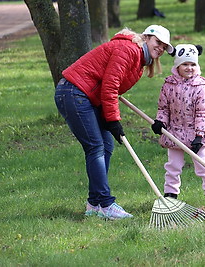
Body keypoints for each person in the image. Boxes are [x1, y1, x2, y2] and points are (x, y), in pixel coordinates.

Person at [54, 25, 174, 220]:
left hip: (86, 97)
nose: (160, 48)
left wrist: (111, 119)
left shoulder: (139, 61)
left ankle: (94, 204)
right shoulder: (127, 50)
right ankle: (106, 204)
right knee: (95, 147)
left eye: (164, 46)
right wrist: (113, 120)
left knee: (106, 145)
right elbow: (110, 86)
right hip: (74, 92)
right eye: (157, 42)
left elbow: (111, 88)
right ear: (146, 38)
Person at [151, 44, 205, 208]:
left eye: (193, 64)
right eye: (185, 64)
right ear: (177, 65)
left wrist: (199, 135)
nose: (189, 68)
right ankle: (170, 196)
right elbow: (164, 108)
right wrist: (160, 122)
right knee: (173, 167)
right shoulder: (168, 85)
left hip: (196, 134)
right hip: (174, 133)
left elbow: (202, 113)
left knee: (204, 167)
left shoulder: (200, 87)